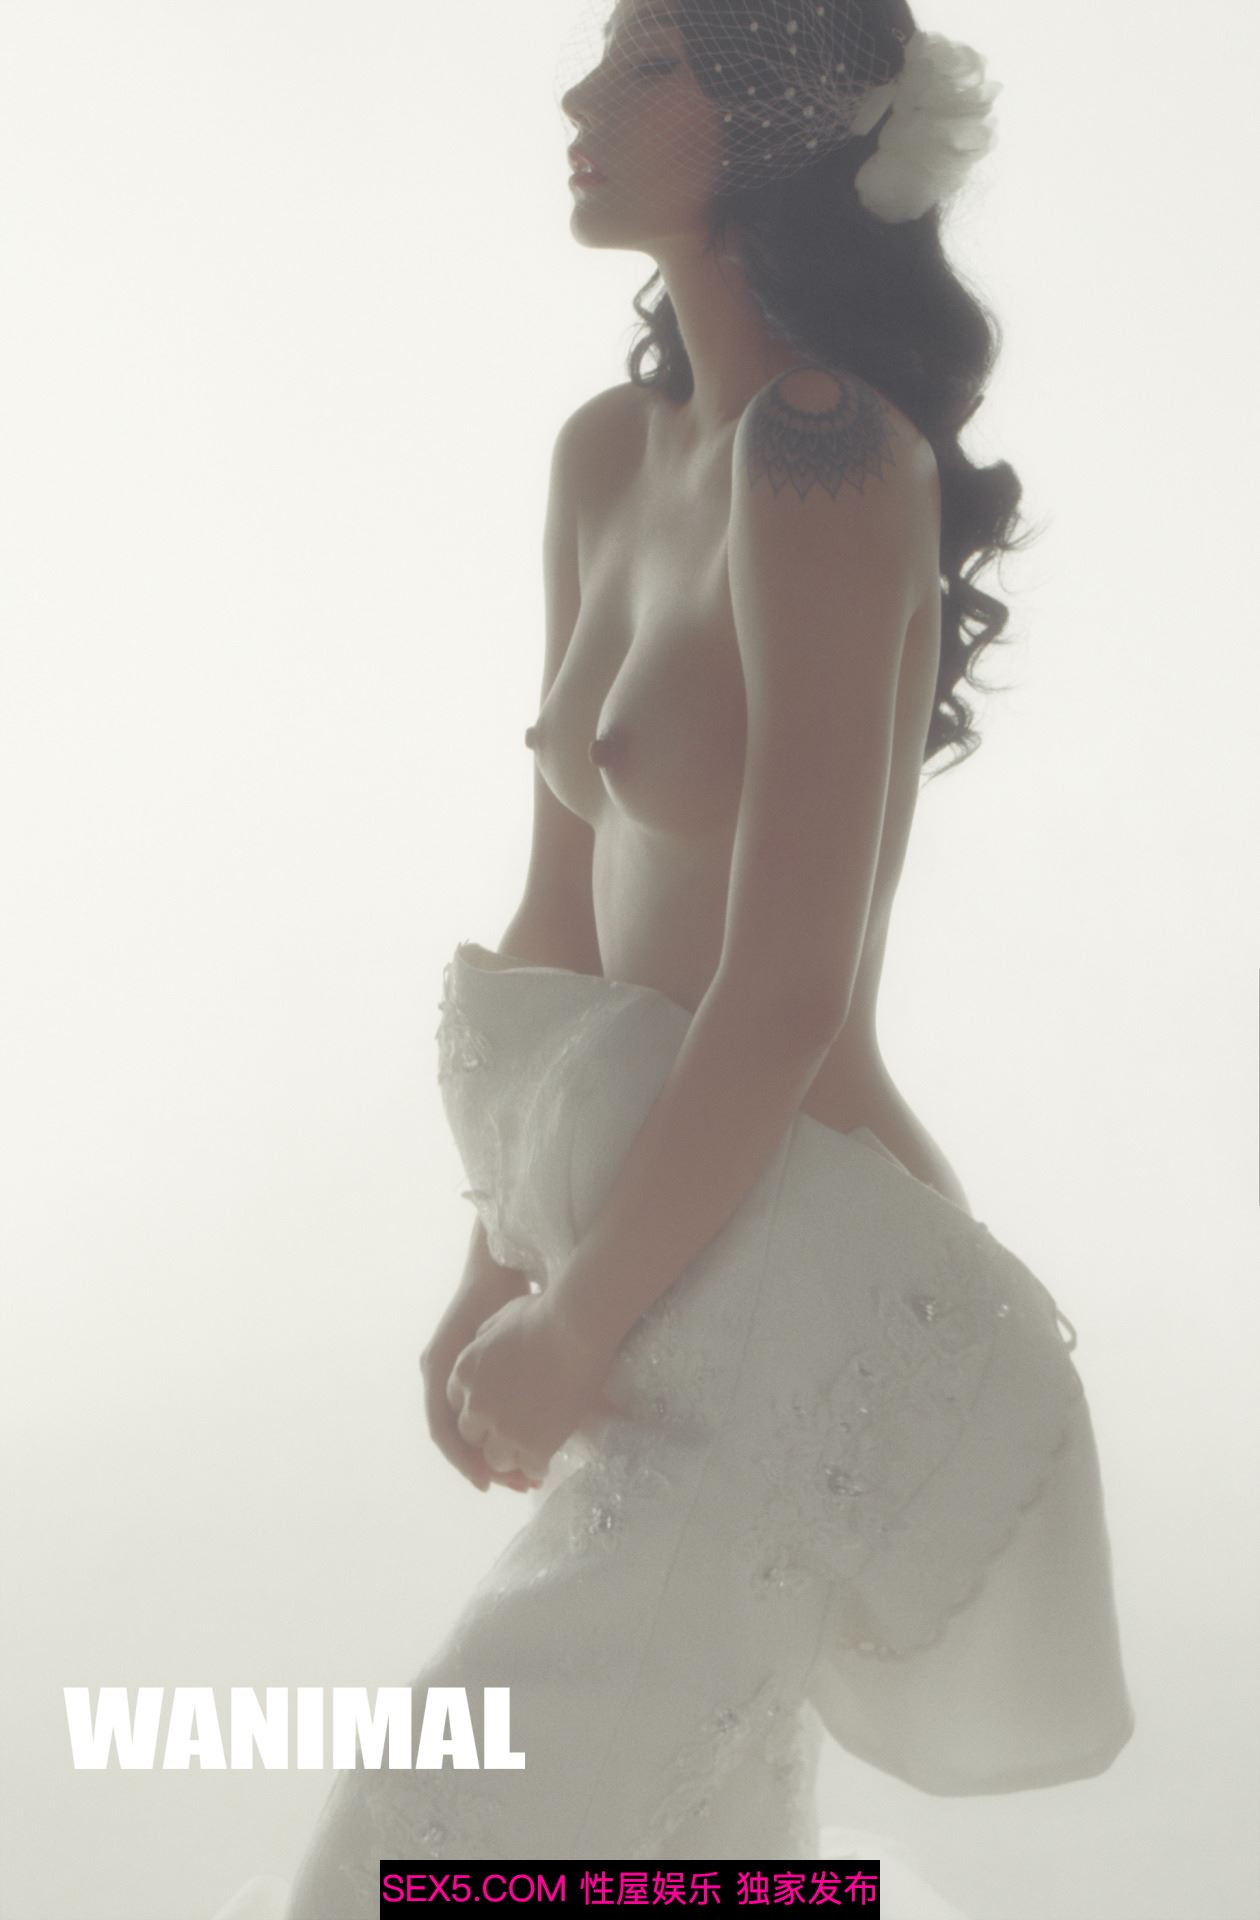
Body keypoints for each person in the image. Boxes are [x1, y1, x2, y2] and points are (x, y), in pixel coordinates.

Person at [213, 3, 1135, 1914]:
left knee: (415, 1850)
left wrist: (577, 1322)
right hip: (659, 1265)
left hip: (801, 1284)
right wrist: (500, 1263)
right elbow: (559, 926)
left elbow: (785, 993)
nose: (579, 97)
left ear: (782, 121)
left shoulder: (827, 460)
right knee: (681, 1853)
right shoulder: (605, 457)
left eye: (647, 65)